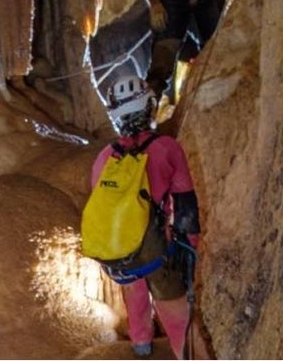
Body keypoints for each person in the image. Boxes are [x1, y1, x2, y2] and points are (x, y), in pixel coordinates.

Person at [91, 77, 200, 358]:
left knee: (134, 289)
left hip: (120, 251)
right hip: (156, 249)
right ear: (148, 106)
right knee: (178, 318)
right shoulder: (166, 148)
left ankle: (141, 343)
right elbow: (185, 203)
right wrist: (191, 246)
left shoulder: (105, 157)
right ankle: (184, 354)